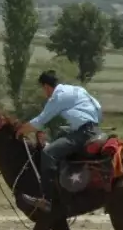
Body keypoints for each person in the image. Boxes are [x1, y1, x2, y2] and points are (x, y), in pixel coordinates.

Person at [13, 70, 103, 214]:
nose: (44, 93)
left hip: (83, 133)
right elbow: (98, 107)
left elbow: (41, 119)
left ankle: (49, 199)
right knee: (60, 134)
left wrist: (22, 130)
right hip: (92, 129)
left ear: (46, 86)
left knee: (48, 153)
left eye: (43, 89)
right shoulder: (77, 90)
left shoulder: (57, 97)